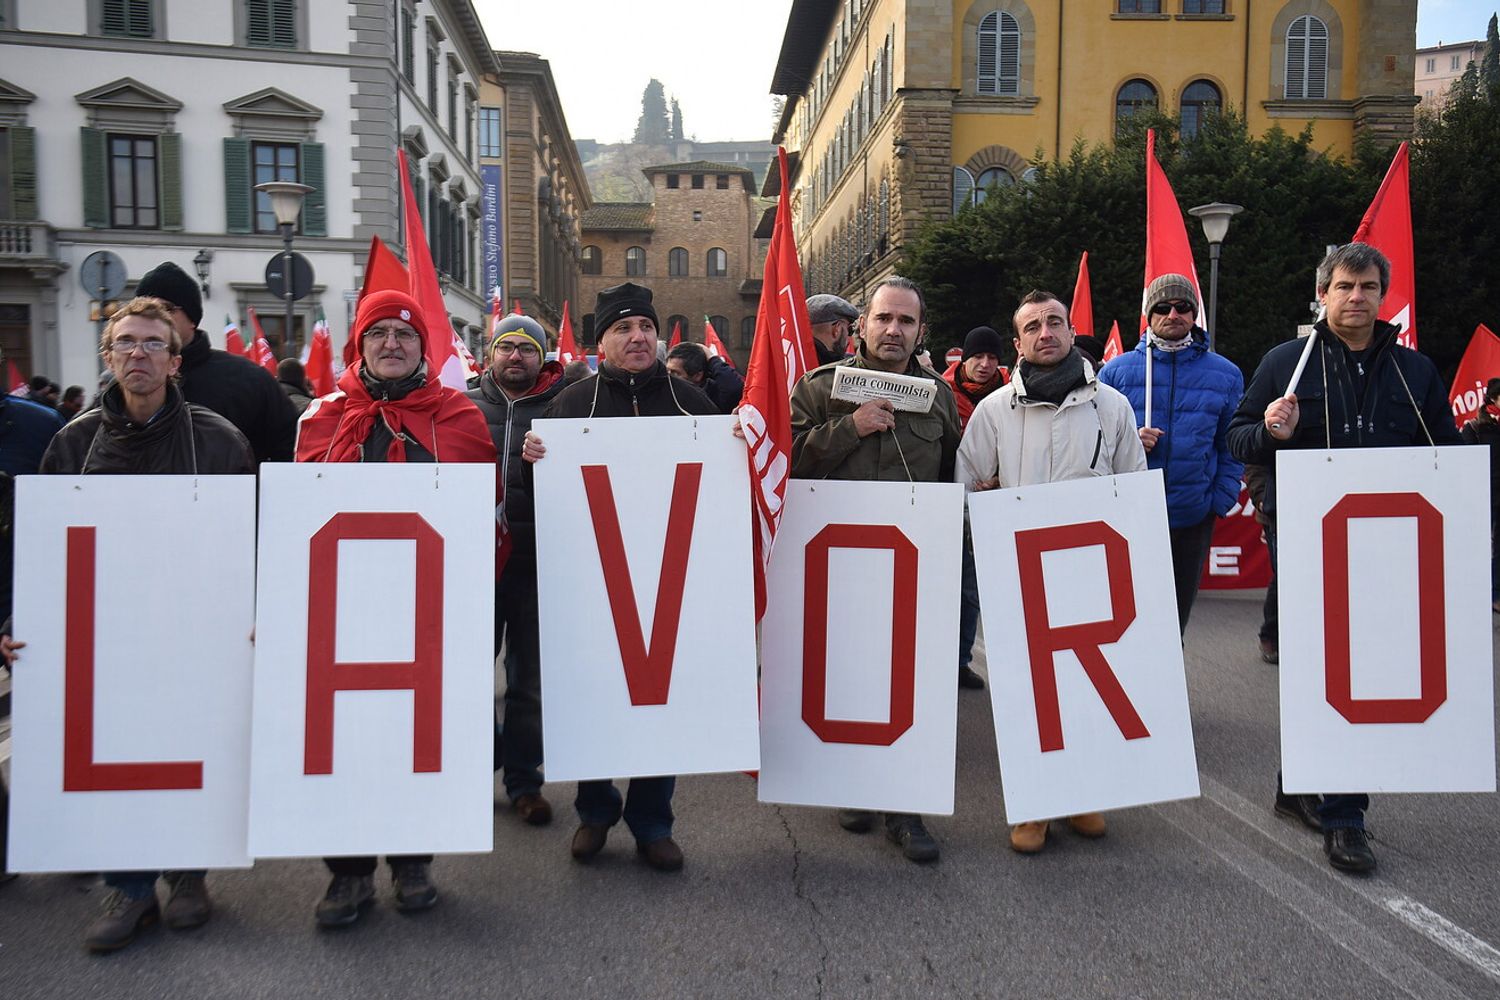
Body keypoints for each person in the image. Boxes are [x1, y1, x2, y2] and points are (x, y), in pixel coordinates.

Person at [1227, 242, 1462, 875]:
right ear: (1322, 295)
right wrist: (1269, 432)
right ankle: (1342, 814)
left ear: (1383, 296)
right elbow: (1239, 438)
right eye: (1344, 286)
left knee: (1363, 668)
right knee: (1321, 666)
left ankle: (1310, 790)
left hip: (1391, 546)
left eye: (1368, 287)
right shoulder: (1286, 363)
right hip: (1310, 541)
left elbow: (1446, 453)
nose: (1356, 297)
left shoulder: (1416, 372)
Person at [32, 297, 253, 952]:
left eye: (154, 343)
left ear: (175, 361)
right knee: (115, 752)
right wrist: (23, 621)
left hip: (195, 627)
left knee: (188, 745)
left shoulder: (219, 441)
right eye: (126, 342)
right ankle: (129, 889)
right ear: (108, 356)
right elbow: (44, 549)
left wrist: (253, 612)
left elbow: (250, 538)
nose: (139, 353)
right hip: (108, 631)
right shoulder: (72, 444)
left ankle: (188, 876)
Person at [296, 288, 496, 926]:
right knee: (349, 740)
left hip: (428, 608)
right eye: (378, 333)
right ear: (359, 344)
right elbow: (297, 517)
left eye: (404, 334)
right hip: (347, 609)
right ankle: (348, 873)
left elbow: (483, 510)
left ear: (421, 346)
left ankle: (413, 861)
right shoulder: (322, 418)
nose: (391, 344)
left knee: (419, 736)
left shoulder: (460, 416)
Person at [521, 281, 716, 873]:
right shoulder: (570, 405)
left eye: (646, 327)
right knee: (596, 696)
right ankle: (595, 811)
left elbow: (720, 487)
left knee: (662, 700)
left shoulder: (693, 404)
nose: (638, 337)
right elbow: (543, 498)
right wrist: (532, 463)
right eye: (623, 328)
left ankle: (653, 822)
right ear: (601, 341)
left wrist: (737, 444)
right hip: (596, 582)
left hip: (668, 579)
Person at [956, 289, 1146, 855]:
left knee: (1084, 691)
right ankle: (1033, 805)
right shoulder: (995, 411)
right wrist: (986, 518)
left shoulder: (1112, 406)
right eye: (1033, 326)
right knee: (1027, 692)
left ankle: (1079, 793)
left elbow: (1133, 486)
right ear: (1018, 343)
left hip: (1091, 569)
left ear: (1070, 330)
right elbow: (965, 483)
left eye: (1055, 322)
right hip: (1018, 571)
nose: (1046, 332)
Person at [788, 276, 961, 864]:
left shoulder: (938, 397)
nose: (893, 330)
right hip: (837, 566)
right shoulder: (819, 388)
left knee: (910, 684)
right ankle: (855, 784)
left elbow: (952, 475)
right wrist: (850, 427)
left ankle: (905, 808)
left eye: (906, 321)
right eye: (884, 318)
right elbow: (783, 461)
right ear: (861, 325)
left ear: (921, 330)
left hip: (912, 568)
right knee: (848, 679)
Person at [1099, 274, 1244, 635]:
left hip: (1192, 515)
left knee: (1175, 619)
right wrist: (1130, 441)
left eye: (1183, 307)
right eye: (1163, 307)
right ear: (1149, 314)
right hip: (1130, 513)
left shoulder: (1226, 374)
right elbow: (1094, 441)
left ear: (1194, 314)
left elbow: (1231, 444)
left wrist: (1219, 500)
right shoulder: (1115, 372)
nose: (1173, 314)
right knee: (1127, 616)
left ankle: (1170, 671)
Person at [465, 314, 565, 827]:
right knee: (465, 674)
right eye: (507, 346)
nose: (515, 356)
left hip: (536, 565)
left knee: (529, 683)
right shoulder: (460, 406)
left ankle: (525, 782)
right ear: (491, 354)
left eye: (527, 348)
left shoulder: (565, 407)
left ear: (541, 358)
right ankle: (480, 759)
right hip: (473, 566)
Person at [135, 261, 299, 463]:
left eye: (165, 309)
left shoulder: (248, 379)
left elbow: (290, 450)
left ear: (192, 319)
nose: (153, 319)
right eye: (143, 311)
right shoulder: (122, 386)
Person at [942, 325, 1008, 691]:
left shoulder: (1012, 395)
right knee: (939, 586)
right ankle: (931, 658)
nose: (985, 364)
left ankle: (960, 661)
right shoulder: (940, 392)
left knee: (972, 591)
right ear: (964, 359)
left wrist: (1000, 477)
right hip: (945, 502)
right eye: (978, 357)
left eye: (992, 357)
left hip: (991, 506)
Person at [1459, 378, 1500, 613]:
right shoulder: (1475, 428)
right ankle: (1483, 594)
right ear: (1493, 399)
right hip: (1484, 496)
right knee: (1481, 547)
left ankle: (1496, 594)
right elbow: (1466, 463)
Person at [665, 341, 744, 413]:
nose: (669, 377)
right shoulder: (665, 392)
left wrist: (712, 359)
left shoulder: (713, 396)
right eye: (667, 371)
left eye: (675, 373)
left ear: (697, 376)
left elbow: (734, 388)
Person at [805, 293, 860, 366]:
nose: (849, 338)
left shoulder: (795, 358)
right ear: (837, 329)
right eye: (850, 330)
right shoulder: (843, 367)